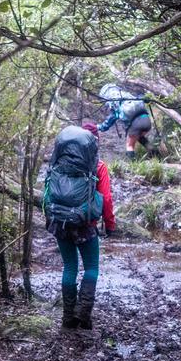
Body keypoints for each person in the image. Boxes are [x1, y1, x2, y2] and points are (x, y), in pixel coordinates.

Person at [45, 122, 115, 330]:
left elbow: (48, 191)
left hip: (60, 223)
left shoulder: (58, 163)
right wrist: (110, 225)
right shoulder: (98, 166)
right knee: (91, 268)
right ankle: (83, 315)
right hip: (86, 224)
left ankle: (68, 318)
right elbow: (107, 199)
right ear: (95, 143)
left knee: (69, 267)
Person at [97, 83, 153, 159]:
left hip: (135, 125)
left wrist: (98, 127)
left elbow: (108, 123)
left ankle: (133, 166)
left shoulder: (115, 104)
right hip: (146, 121)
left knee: (129, 146)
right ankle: (155, 154)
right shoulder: (130, 97)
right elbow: (143, 98)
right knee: (139, 137)